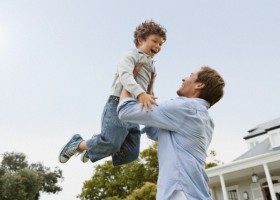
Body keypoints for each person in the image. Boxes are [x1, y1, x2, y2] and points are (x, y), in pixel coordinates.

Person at [58, 20, 167, 166]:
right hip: (118, 103)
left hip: (134, 110)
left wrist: (149, 98)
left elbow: (148, 89)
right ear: (141, 40)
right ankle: (78, 143)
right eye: (154, 41)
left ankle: (93, 148)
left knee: (131, 154)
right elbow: (126, 76)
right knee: (111, 142)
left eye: (161, 44)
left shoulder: (152, 66)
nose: (158, 46)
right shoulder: (131, 55)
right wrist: (141, 94)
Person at [117, 66, 225, 200]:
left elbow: (125, 111)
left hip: (180, 193)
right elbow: (154, 131)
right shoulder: (205, 119)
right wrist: (148, 89)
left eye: (191, 75)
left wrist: (128, 79)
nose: (184, 78)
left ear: (199, 85)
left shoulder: (186, 107)